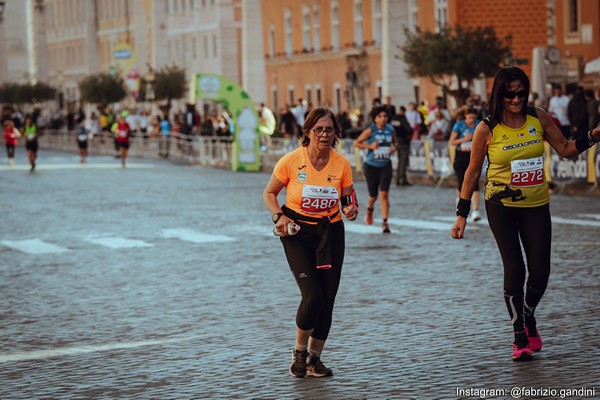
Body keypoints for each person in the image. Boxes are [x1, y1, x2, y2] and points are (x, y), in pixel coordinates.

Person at [451, 66, 600, 362]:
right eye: (510, 94)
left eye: (521, 93)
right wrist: (462, 214)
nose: (516, 99)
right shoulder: (487, 128)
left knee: (541, 273)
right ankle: (519, 334)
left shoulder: (538, 117)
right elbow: (471, 173)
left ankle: (528, 314)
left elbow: (567, 149)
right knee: (515, 269)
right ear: (499, 94)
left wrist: (593, 136)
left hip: (536, 204)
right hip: (500, 204)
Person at [262, 106, 358, 378]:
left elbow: (348, 199)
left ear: (335, 133)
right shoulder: (292, 160)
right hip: (297, 231)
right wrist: (278, 216)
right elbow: (269, 193)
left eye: (329, 129)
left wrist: (350, 209)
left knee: (327, 299)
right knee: (312, 295)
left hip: (330, 232)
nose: (324, 134)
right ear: (308, 132)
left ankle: (315, 360)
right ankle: (299, 353)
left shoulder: (341, 163)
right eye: (319, 129)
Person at [354, 106, 397, 233]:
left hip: (385, 165)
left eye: (385, 116)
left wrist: (394, 147)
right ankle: (369, 209)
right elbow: (357, 143)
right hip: (371, 166)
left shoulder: (390, 129)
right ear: (375, 118)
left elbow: (395, 143)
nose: (383, 119)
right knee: (373, 196)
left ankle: (385, 222)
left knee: (384, 194)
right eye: (380, 117)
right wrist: (370, 146)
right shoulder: (370, 130)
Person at [448, 107, 481, 222]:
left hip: (473, 156)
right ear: (465, 116)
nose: (472, 120)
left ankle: (476, 211)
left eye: (474, 118)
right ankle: (460, 204)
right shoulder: (459, 125)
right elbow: (451, 142)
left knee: (475, 183)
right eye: (469, 117)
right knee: (462, 182)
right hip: (461, 155)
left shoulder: (479, 125)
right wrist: (464, 139)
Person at [390, 105, 413, 186]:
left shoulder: (394, 120)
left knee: (400, 161)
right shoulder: (402, 119)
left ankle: (399, 179)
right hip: (404, 141)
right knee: (403, 161)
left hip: (397, 141)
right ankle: (402, 179)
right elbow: (408, 129)